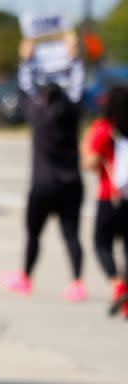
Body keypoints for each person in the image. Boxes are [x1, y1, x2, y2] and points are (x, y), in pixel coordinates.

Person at [1, 32, 87, 301]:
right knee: (72, 235)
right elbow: (77, 88)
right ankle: (76, 282)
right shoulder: (72, 114)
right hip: (72, 182)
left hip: (43, 184)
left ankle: (26, 277)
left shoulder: (38, 114)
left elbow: (25, 88)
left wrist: (25, 60)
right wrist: (75, 59)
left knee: (34, 235)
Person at [81, 85, 128, 317]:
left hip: (110, 197)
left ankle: (117, 283)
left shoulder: (104, 129)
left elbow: (90, 163)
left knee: (102, 244)